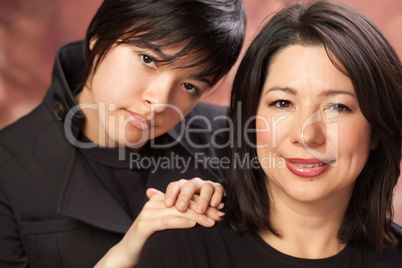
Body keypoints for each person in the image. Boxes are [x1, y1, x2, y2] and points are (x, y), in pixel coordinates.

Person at [137, 1, 402, 267]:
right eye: (283, 103)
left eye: (337, 107)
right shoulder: (182, 247)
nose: (307, 135)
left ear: (377, 130)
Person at [0, 0, 246, 267]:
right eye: (148, 59)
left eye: (189, 85)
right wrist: (124, 253)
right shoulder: (8, 169)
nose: (160, 101)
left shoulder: (231, 136)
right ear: (99, 35)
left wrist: (234, 205)